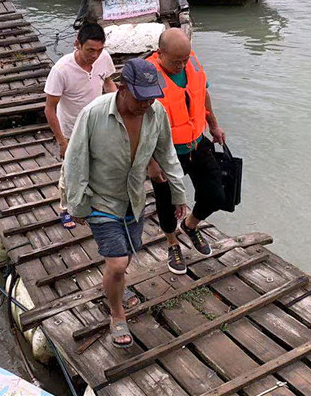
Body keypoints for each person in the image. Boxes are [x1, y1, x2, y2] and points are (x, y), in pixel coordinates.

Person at [66, 59, 186, 349]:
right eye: (140, 97)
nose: (147, 103)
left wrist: (179, 194)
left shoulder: (156, 114)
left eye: (151, 96)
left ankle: (114, 287)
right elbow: (75, 160)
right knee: (118, 263)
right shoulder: (93, 114)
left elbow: (167, 154)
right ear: (122, 88)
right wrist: (77, 204)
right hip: (100, 198)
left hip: (134, 198)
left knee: (126, 258)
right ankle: (117, 315)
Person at [146, 28, 226, 275]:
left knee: (215, 195)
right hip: (165, 153)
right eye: (175, 61)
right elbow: (136, 120)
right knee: (166, 203)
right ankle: (172, 243)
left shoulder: (191, 62)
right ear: (160, 54)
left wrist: (213, 124)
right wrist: (150, 161)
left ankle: (190, 226)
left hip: (196, 142)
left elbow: (202, 93)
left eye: (184, 59)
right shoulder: (148, 75)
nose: (181, 65)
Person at [44, 23, 117, 229]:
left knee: (97, 164)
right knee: (70, 170)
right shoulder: (61, 70)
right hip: (71, 128)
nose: (95, 55)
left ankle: (93, 202)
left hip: (97, 123)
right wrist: (61, 141)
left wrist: (118, 107)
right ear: (77, 44)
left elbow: (109, 83)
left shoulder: (104, 58)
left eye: (99, 50)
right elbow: (50, 109)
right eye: (90, 50)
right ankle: (65, 208)